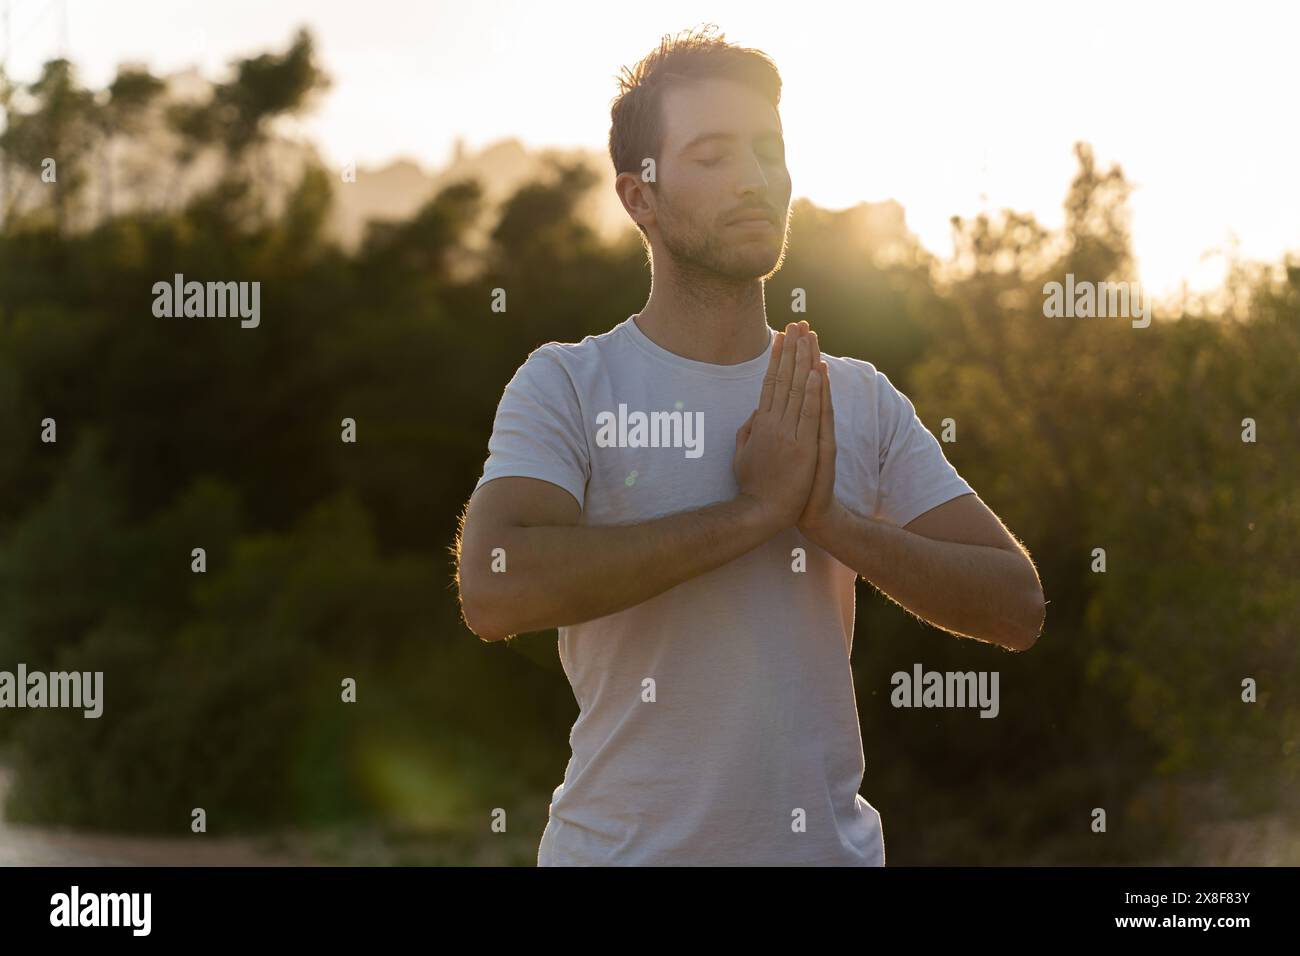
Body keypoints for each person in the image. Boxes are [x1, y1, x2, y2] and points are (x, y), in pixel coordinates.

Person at [455, 26, 1046, 866]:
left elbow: (1017, 606)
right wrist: (753, 514)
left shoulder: (854, 395)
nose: (754, 179)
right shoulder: (570, 385)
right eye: (712, 156)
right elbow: (492, 588)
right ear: (640, 197)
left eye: (769, 151)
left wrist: (830, 522)